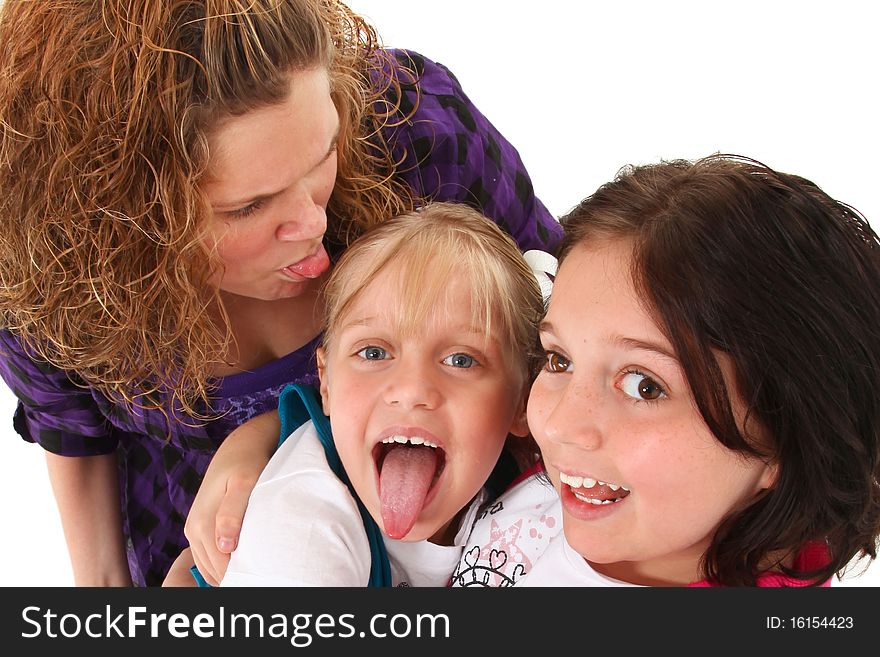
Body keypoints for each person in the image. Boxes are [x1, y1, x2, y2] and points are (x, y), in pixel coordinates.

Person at [0, 0, 561, 587]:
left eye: (324, 155)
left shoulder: (418, 135)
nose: (311, 226)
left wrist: (271, 428)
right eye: (248, 206)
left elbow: (571, 319)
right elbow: (76, 439)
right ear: (119, 214)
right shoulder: (49, 269)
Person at [453, 155, 880, 587]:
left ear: (786, 441)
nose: (561, 424)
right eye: (560, 360)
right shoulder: (574, 488)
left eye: (644, 386)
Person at [166, 203, 542, 586]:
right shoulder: (304, 520)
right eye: (374, 353)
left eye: (461, 360)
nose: (411, 390)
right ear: (325, 382)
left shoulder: (542, 490)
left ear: (524, 399)